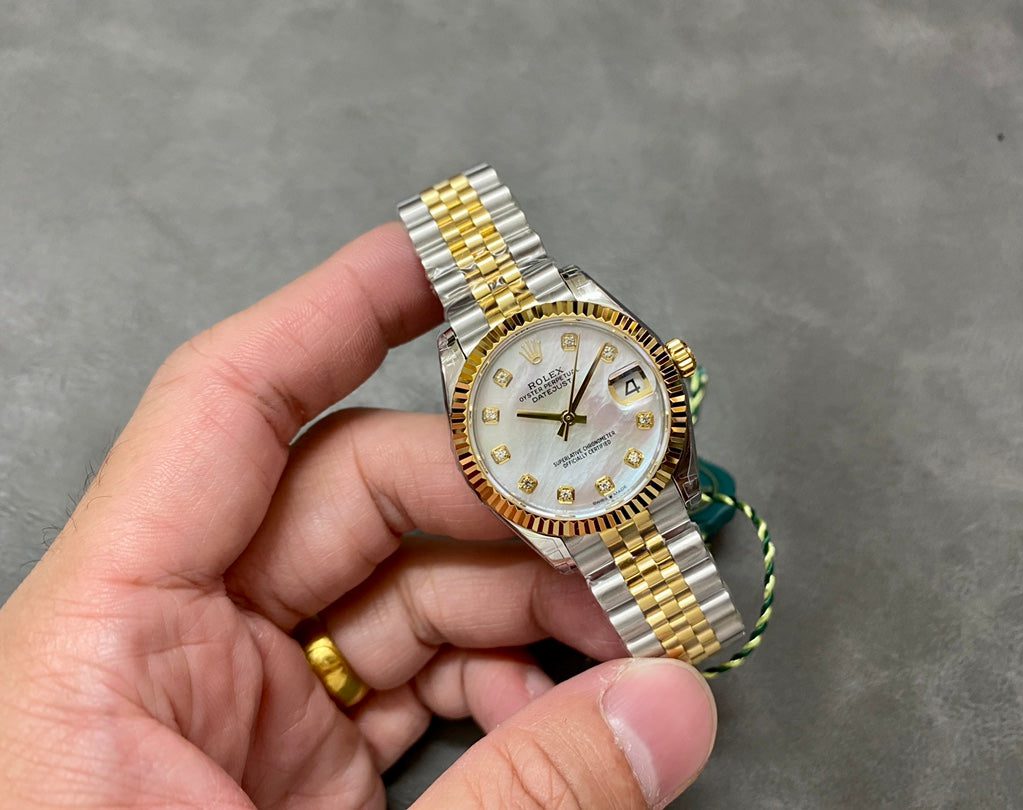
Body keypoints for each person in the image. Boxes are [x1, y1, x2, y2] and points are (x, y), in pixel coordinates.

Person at [0, 224, 719, 808]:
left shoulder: (575, 311)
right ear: (485, 460)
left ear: (667, 365)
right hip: (582, 497)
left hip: (627, 474)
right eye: (546, 417)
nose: (566, 424)